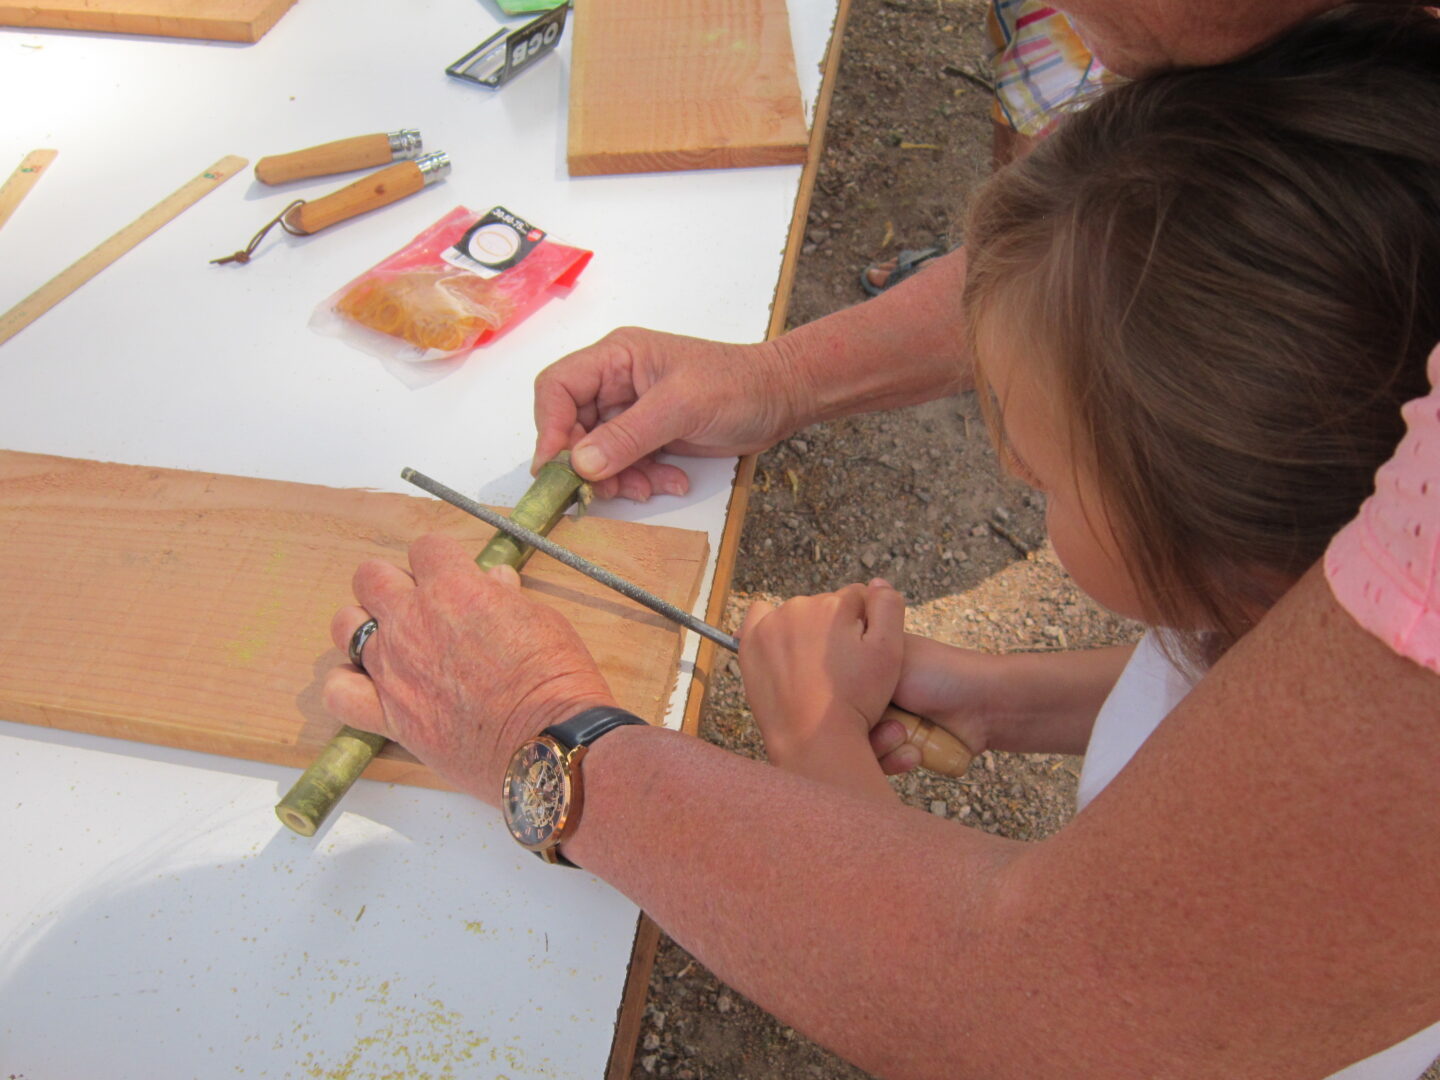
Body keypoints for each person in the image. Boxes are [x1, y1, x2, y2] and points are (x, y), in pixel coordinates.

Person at [323, 4, 1440, 1077]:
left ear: (1237, 551)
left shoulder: (1331, 872)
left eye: (1044, 477)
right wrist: (1005, 698)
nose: (1013, 470)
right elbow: (1227, 712)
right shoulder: (1288, 578)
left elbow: (1024, 1025)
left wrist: (773, 752)